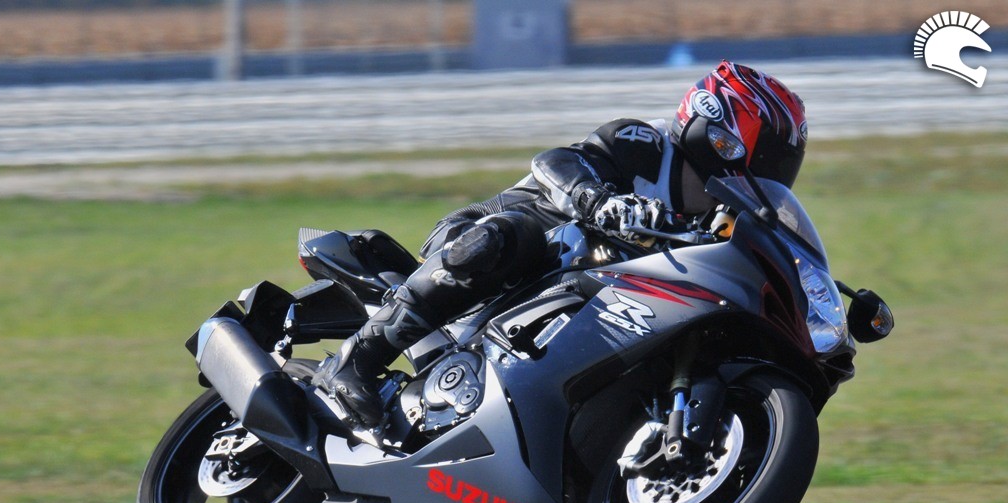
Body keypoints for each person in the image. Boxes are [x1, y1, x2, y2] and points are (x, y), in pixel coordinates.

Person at [314, 60, 808, 428]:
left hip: (576, 295)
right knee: (517, 235)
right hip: (491, 241)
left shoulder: (721, 219)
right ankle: (355, 360)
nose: (770, 172)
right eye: (764, 153)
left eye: (780, 163)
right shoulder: (645, 143)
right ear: (719, 127)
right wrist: (598, 200)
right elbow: (556, 161)